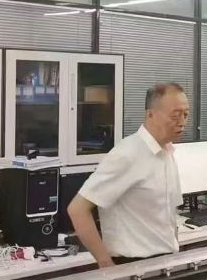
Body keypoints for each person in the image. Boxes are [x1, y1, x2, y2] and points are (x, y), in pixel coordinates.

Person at [68, 83, 190, 268]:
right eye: (175, 115)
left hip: (165, 262)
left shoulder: (167, 152)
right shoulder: (128, 154)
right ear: (150, 114)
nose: (182, 122)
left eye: (185, 115)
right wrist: (105, 264)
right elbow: (77, 210)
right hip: (134, 265)